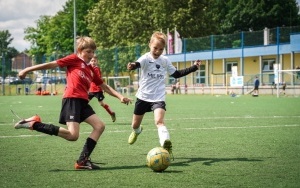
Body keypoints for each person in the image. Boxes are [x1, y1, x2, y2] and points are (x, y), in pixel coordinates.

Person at [14, 36, 132, 170]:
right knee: (72, 136)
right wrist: (26, 70)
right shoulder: (74, 59)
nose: (91, 55)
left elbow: (104, 86)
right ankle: (33, 124)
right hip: (72, 99)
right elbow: (51, 64)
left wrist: (120, 97)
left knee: (99, 126)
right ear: (80, 50)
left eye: (93, 52)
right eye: (88, 51)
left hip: (82, 102)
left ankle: (82, 161)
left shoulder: (91, 69)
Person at [127, 31, 201, 158]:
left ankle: (166, 145)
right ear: (150, 44)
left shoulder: (165, 60)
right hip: (143, 97)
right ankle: (137, 131)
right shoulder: (145, 58)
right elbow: (137, 64)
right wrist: (132, 65)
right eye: (155, 48)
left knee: (159, 121)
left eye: (161, 49)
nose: (157, 51)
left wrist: (194, 67)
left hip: (158, 97)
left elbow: (177, 74)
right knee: (135, 124)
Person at [88, 55, 116, 122]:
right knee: (84, 103)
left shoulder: (96, 69)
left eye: (95, 61)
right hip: (91, 90)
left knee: (101, 104)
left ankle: (111, 113)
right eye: (92, 61)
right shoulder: (89, 68)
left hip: (98, 90)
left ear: (97, 61)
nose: (93, 62)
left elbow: (96, 78)